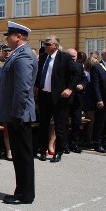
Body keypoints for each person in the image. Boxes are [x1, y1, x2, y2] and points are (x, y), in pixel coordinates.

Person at [0, 21, 37, 205]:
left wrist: (17, 114)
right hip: (15, 113)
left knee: (23, 156)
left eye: (9, 35)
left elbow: (22, 89)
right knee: (20, 156)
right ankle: (21, 190)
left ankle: (25, 194)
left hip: (18, 114)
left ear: (18, 37)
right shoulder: (18, 55)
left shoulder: (23, 57)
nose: (7, 39)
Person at [34, 35, 81, 163]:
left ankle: (59, 151)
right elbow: (40, 74)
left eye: (48, 44)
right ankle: (42, 150)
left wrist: (70, 88)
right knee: (43, 125)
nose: (45, 46)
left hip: (59, 98)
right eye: (44, 44)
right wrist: (36, 86)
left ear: (55, 45)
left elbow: (77, 73)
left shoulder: (64, 57)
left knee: (60, 126)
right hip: (45, 96)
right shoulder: (43, 57)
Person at [66, 48, 87, 153]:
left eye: (74, 57)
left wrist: (82, 85)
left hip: (78, 99)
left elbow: (84, 79)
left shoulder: (79, 66)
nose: (72, 59)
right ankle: (64, 145)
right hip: (66, 98)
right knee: (65, 123)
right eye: (70, 57)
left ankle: (74, 143)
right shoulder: (63, 66)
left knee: (76, 122)